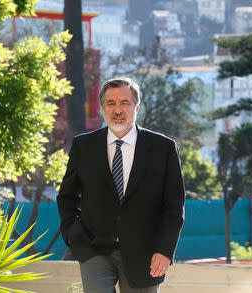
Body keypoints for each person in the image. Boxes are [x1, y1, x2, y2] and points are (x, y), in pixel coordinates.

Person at [56, 77, 185, 293]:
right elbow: (67, 197)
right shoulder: (83, 146)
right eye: (111, 103)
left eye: (124, 103)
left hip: (145, 252)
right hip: (93, 249)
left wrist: (165, 250)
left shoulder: (164, 148)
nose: (117, 109)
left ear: (136, 107)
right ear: (102, 108)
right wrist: (73, 234)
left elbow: (174, 205)